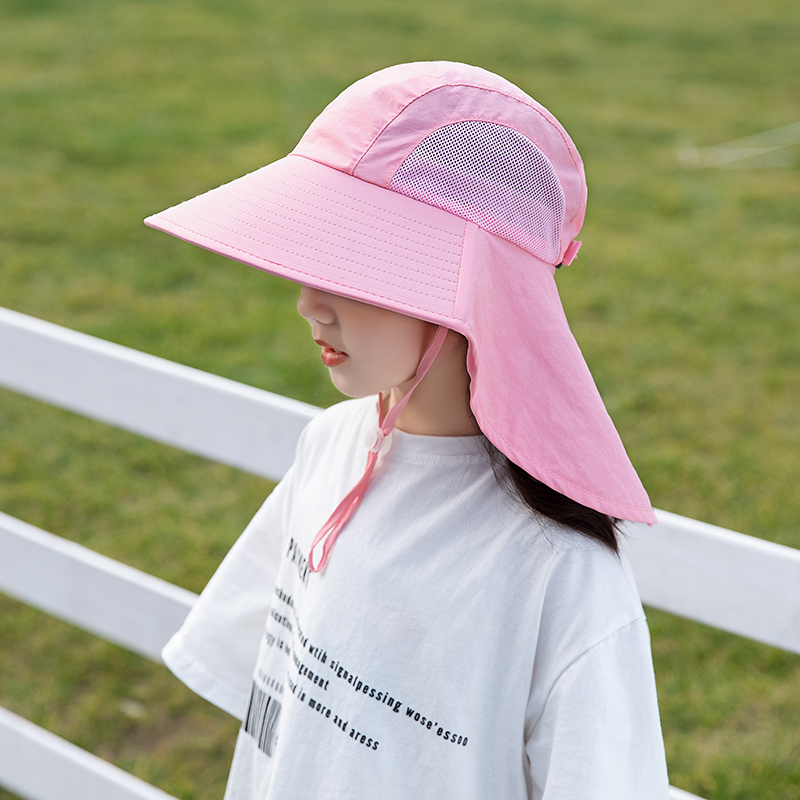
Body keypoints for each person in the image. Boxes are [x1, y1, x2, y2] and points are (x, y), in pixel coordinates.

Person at [146, 61, 669, 799]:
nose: (309, 304)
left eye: (355, 267)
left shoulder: (558, 570)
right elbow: (281, 690)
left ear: (471, 292)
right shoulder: (333, 444)